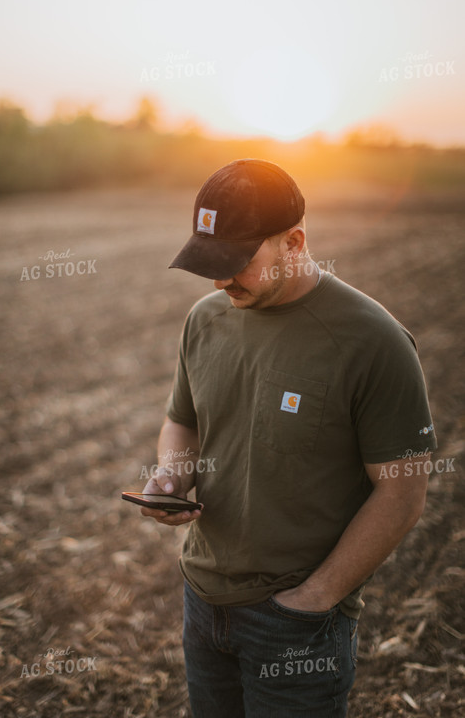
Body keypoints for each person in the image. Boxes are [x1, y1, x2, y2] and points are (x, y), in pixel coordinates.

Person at [140, 158, 437, 718]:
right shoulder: (205, 320)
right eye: (209, 263)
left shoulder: (372, 340)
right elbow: (183, 420)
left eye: (235, 262)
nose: (220, 280)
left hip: (298, 624)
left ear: (294, 241)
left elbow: (403, 493)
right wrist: (172, 472)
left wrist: (313, 600)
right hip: (202, 599)